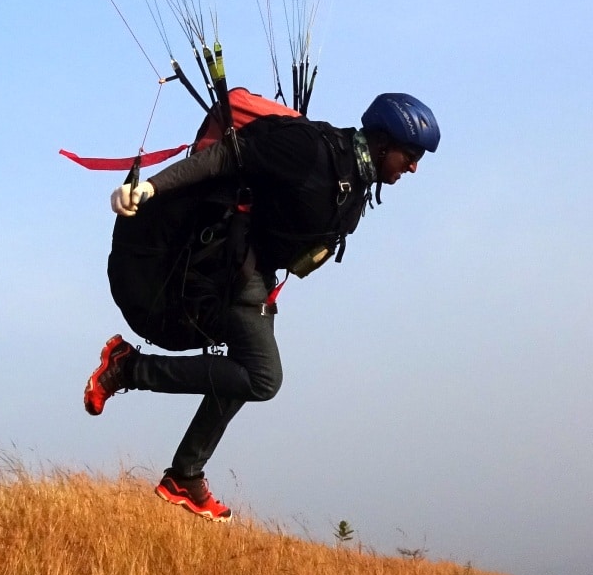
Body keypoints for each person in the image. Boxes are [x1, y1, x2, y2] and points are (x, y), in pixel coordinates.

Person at [83, 92, 439, 520]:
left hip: (256, 277)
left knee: (242, 371)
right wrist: (152, 186)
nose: (414, 167)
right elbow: (224, 160)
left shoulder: (357, 182)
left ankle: (185, 475)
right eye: (411, 154)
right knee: (263, 378)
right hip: (231, 270)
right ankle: (129, 369)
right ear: (383, 143)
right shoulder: (309, 148)